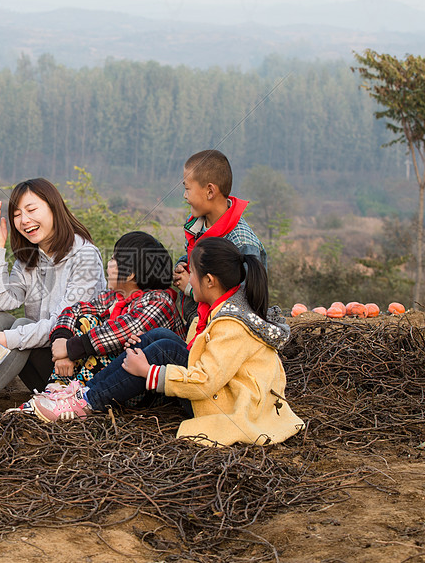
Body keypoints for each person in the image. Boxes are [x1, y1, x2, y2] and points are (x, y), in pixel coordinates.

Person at [30, 238, 304, 448]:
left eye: (191, 274)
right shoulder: (216, 310)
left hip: (230, 404)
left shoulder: (232, 325)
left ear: (209, 281)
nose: (185, 281)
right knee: (160, 338)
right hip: (222, 392)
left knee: (165, 348)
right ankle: (82, 394)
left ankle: (87, 401)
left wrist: (149, 372)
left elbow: (206, 380)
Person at [0, 178, 106, 418]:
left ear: (54, 208)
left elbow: (62, 326)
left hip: (75, 365)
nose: (24, 220)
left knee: (20, 327)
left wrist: (9, 338)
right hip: (42, 359)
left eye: (32, 210)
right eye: (17, 214)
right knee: (3, 318)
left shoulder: (84, 256)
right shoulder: (29, 258)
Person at [46, 231, 185, 387]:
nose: (109, 263)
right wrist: (62, 341)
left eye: (113, 259)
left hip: (145, 388)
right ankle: (57, 390)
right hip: (114, 378)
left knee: (108, 347)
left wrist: (69, 349)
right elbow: (73, 311)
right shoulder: (116, 296)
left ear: (130, 274)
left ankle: (76, 396)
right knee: (86, 320)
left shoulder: (159, 302)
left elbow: (120, 332)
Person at [172, 150, 268, 326]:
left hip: (222, 335)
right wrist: (182, 267)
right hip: (198, 325)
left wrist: (191, 289)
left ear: (210, 191)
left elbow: (244, 308)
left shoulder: (243, 244)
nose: (185, 196)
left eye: (187, 189)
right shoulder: (196, 226)